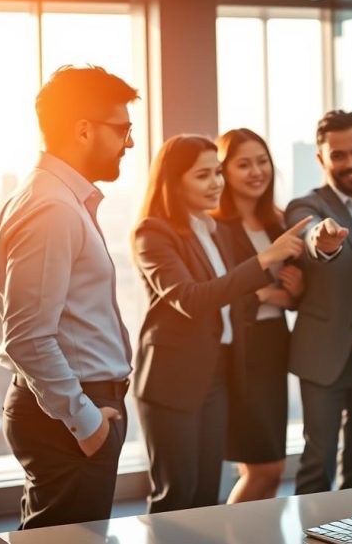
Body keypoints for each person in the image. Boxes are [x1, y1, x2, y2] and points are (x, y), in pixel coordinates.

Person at [0, 65, 138, 529]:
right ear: (82, 129)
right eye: (122, 129)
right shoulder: (51, 207)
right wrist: (87, 423)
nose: (129, 143)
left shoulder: (57, 198)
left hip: (74, 409)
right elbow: (27, 338)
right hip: (70, 415)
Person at [131, 134, 309, 513]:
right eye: (202, 175)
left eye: (216, 173)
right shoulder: (153, 233)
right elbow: (192, 299)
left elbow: (230, 296)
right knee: (176, 496)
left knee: (204, 500)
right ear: (173, 181)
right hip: (173, 380)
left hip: (215, 375)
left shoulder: (208, 231)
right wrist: (265, 263)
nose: (216, 183)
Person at [285, 110, 352, 494]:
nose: (351, 163)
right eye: (338, 155)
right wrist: (323, 240)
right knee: (317, 463)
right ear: (321, 159)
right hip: (324, 356)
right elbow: (312, 234)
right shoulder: (306, 206)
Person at [214, 128, 304, 503]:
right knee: (265, 470)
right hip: (240, 353)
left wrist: (292, 295)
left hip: (272, 347)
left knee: (266, 470)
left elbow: (291, 289)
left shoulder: (277, 222)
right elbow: (221, 291)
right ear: (225, 171)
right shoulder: (215, 225)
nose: (256, 171)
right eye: (243, 164)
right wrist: (270, 293)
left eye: (262, 161)